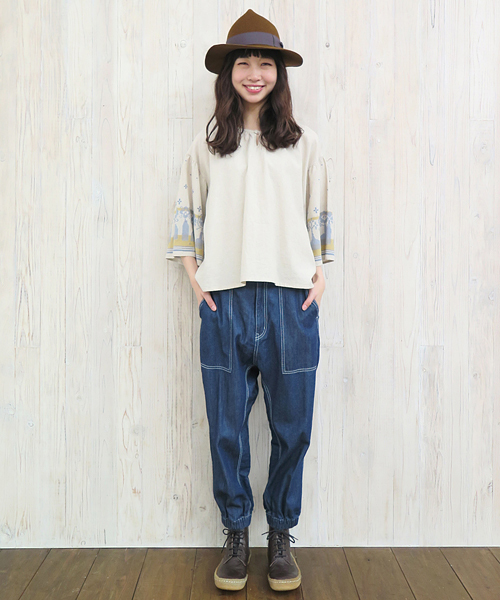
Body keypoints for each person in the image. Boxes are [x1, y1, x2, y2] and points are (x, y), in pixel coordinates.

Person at [165, 8, 334, 593]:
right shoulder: (209, 144)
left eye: (265, 63)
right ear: (228, 73)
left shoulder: (304, 144)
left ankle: (280, 535)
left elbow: (318, 215)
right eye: (244, 62)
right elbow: (187, 212)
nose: (255, 73)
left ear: (279, 74)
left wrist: (319, 277)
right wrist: (195, 277)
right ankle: (235, 534)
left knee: (293, 427)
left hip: (291, 301)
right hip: (226, 301)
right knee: (227, 429)